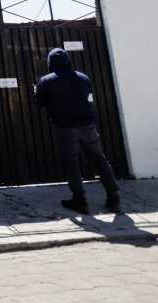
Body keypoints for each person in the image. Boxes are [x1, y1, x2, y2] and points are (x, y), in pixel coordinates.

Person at [35, 47, 121, 215]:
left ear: (51, 62)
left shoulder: (46, 81)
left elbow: (39, 103)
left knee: (72, 163)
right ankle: (114, 196)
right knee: (100, 159)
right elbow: (87, 97)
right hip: (88, 126)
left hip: (66, 128)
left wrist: (37, 92)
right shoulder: (83, 78)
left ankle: (80, 200)